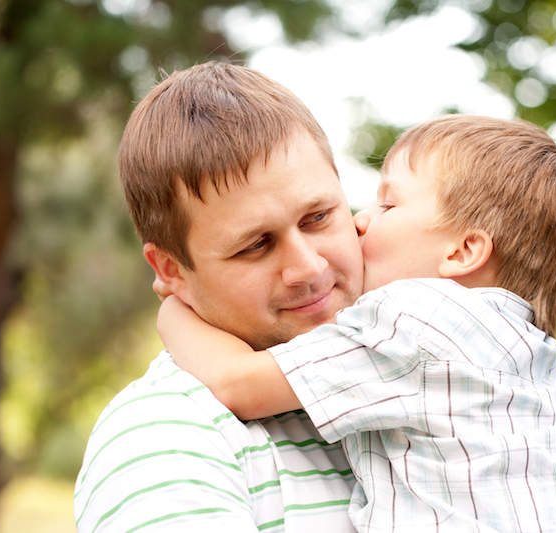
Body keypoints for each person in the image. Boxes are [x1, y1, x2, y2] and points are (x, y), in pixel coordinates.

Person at [158, 114, 556, 532]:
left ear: (462, 252)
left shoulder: (416, 322)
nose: (362, 220)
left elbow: (237, 384)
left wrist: (178, 304)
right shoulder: (524, 349)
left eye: (388, 204)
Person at [73, 62, 365, 532]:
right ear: (172, 271)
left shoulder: (425, 348)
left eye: (318, 217)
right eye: (255, 245)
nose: (309, 268)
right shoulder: (165, 438)